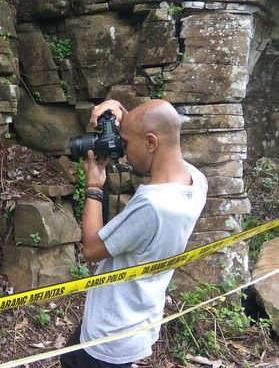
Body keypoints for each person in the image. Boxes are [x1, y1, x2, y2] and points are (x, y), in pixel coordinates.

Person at [60, 99, 208, 367]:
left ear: (151, 143)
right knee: (68, 357)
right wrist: (119, 111)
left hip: (110, 334)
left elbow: (92, 250)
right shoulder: (196, 180)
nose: (123, 151)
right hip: (138, 319)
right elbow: (160, 133)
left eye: (125, 143)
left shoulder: (153, 206)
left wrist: (94, 185)